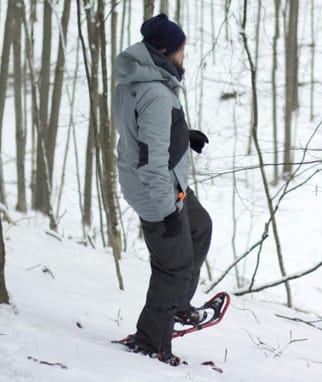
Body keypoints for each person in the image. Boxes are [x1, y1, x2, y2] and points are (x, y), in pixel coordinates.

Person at [112, 13, 212, 366]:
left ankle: (177, 306)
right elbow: (152, 161)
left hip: (166, 181)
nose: (184, 56)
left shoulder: (139, 79)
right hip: (158, 189)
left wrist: (184, 138)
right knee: (173, 265)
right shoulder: (155, 92)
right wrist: (167, 211)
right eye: (181, 50)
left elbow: (146, 136)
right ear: (165, 51)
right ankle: (150, 340)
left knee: (200, 227)